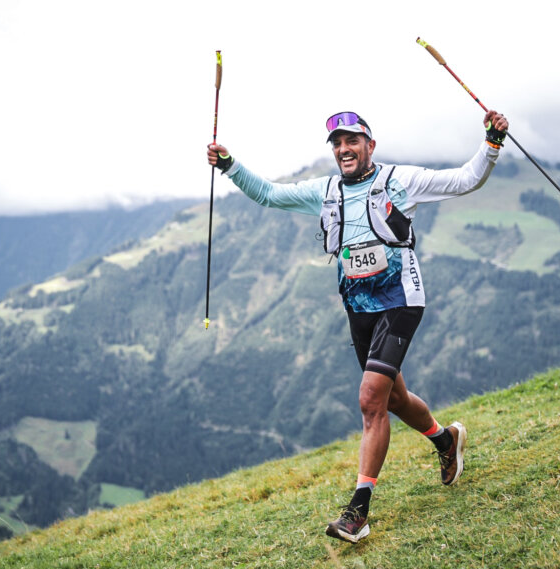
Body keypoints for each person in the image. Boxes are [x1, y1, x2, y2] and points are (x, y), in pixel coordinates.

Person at [206, 109, 508, 543]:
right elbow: (270, 195)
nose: (344, 150)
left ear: (370, 145)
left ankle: (358, 512)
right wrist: (230, 165)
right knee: (394, 398)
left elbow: (465, 180)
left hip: (402, 298)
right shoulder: (325, 191)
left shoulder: (402, 180)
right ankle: (446, 441)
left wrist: (491, 143)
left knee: (370, 400)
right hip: (358, 306)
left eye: (352, 141)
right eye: (337, 143)